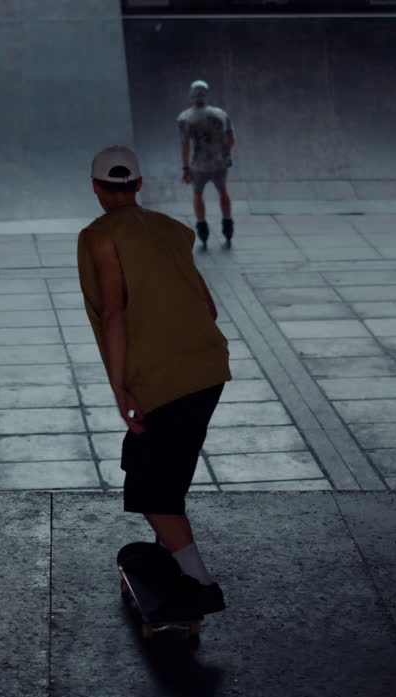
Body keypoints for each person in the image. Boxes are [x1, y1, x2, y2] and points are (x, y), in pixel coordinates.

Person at [77, 145, 233, 615]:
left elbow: (114, 313)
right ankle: (171, 553)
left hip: (164, 378)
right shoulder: (174, 230)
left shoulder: (99, 236)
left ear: (96, 188)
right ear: (139, 185)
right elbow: (209, 308)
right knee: (165, 468)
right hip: (208, 368)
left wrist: (120, 386)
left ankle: (200, 583)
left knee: (150, 487)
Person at [177, 80, 235, 250]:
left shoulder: (185, 118)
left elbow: (185, 144)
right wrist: (224, 153)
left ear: (191, 95)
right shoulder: (221, 114)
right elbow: (231, 139)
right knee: (223, 191)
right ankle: (227, 223)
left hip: (198, 164)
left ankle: (202, 226)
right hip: (219, 162)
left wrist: (185, 168)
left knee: (197, 193)